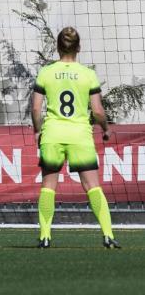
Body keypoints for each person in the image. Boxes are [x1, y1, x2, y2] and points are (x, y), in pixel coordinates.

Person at [32, 27, 119, 249]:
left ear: (58, 46)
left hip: (53, 134)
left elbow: (35, 108)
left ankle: (44, 236)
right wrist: (106, 128)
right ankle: (108, 235)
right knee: (92, 186)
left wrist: (37, 130)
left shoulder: (46, 72)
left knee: (48, 187)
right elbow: (98, 111)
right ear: (78, 47)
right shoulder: (88, 74)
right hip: (80, 136)